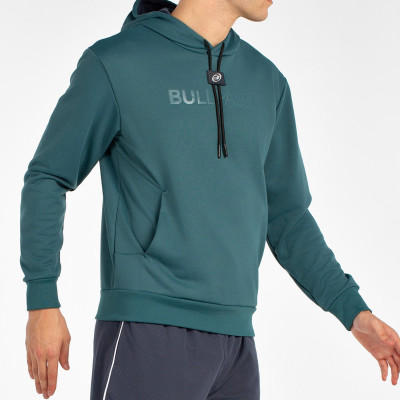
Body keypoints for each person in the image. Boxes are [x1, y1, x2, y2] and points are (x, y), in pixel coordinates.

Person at [20, 0, 400, 399]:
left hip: (236, 344)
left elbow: (288, 216)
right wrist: (42, 300)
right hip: (147, 329)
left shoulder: (267, 81)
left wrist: (353, 310)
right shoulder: (117, 63)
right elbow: (48, 176)